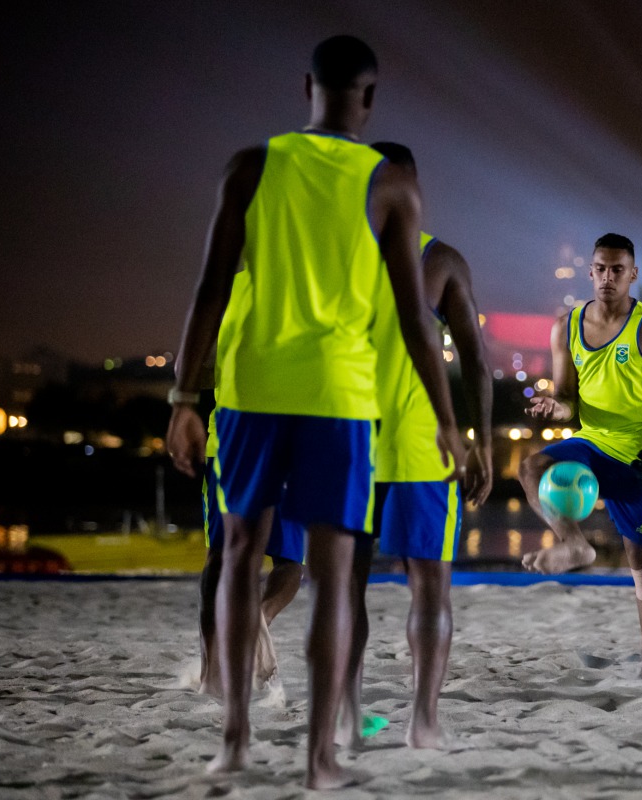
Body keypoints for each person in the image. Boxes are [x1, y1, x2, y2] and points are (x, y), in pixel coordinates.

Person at [166, 36, 464, 789]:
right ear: (369, 98)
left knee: (238, 557)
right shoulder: (391, 184)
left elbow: (209, 289)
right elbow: (413, 316)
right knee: (334, 578)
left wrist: (182, 397)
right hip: (340, 395)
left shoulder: (251, 165)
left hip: (252, 389)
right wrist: (447, 419)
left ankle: (233, 736)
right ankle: (319, 758)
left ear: (307, 86)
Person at [339, 141, 493, 749]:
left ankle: (350, 716)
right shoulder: (441, 259)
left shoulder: (335, 254)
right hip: (420, 439)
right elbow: (476, 360)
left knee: (345, 584)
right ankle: (422, 722)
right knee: (430, 583)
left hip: (347, 435)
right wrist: (478, 439)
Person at [519, 233, 642, 680]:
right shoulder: (566, 326)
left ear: (633, 274)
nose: (608, 277)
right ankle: (573, 544)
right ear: (590, 271)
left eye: (618, 269)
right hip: (593, 444)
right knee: (531, 466)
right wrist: (553, 407)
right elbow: (566, 397)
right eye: (600, 268)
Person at [198, 399, 303, 698]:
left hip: (232, 433)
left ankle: (212, 677)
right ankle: (261, 615)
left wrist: (181, 402)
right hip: (291, 433)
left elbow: (190, 365)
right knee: (290, 559)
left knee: (219, 555)